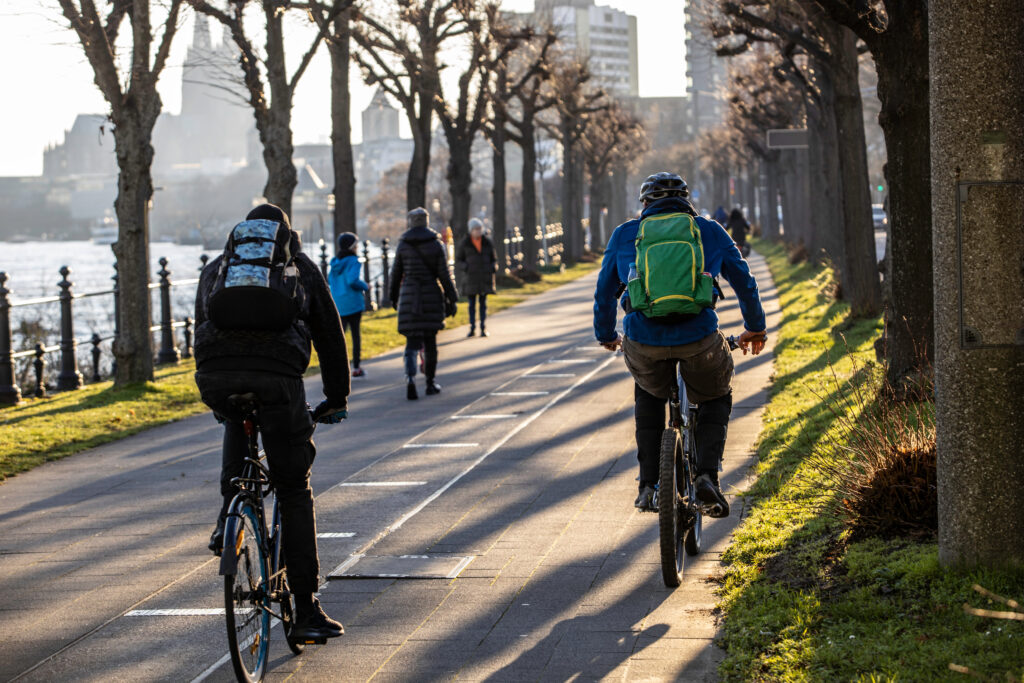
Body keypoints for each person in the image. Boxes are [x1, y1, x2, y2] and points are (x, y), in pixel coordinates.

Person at [194, 203, 349, 641]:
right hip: (279, 381)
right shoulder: (299, 266)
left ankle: (229, 515)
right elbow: (329, 334)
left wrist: (214, 389)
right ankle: (305, 611)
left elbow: (200, 326)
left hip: (216, 374)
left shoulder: (217, 268)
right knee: (294, 487)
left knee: (235, 419)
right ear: (284, 234)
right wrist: (336, 397)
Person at [593, 173, 768, 516]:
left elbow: (603, 293)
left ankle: (647, 485)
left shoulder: (626, 234)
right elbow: (745, 282)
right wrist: (755, 328)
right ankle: (706, 476)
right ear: (687, 201)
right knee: (716, 394)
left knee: (648, 392)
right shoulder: (709, 230)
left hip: (643, 339)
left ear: (644, 204)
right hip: (699, 338)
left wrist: (607, 335)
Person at [389, 207, 459, 400]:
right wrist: (452, 298)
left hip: (409, 297)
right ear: (426, 222)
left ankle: (410, 378)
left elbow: (395, 275)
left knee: (411, 343)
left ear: (411, 222)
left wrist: (393, 297)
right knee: (430, 343)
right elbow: (444, 275)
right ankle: (430, 383)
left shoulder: (403, 245)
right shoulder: (436, 245)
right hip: (431, 296)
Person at [328, 232, 370, 377]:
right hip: (353, 303)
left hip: (338, 304)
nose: (357, 247)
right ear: (352, 246)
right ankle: (356, 368)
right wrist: (365, 286)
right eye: (356, 244)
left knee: (341, 337)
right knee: (355, 336)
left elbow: (330, 282)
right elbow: (353, 280)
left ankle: (338, 367)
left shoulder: (334, 263)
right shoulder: (353, 260)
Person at [455, 217, 498, 337]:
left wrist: (493, 267)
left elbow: (493, 258)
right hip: (471, 278)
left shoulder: (487, 242)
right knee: (472, 304)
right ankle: (472, 327)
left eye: (479, 229)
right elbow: (458, 260)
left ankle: (483, 327)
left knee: (483, 304)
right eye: (475, 229)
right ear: (471, 230)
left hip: (484, 277)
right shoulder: (465, 243)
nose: (478, 231)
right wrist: (465, 267)